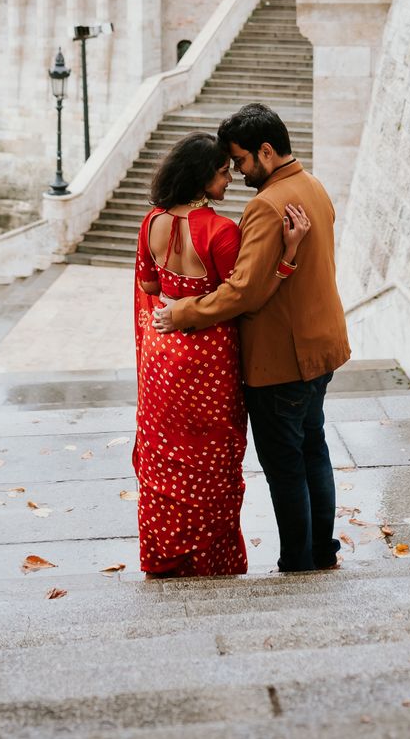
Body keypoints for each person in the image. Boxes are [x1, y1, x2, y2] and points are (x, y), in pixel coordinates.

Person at [153, 104, 350, 574]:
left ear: (266, 150)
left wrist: (183, 313)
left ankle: (299, 562)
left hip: (282, 358)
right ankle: (322, 550)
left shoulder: (267, 205)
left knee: (287, 467)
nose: (240, 172)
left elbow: (244, 290)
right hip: (322, 346)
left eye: (241, 161)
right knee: (313, 450)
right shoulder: (313, 185)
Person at [134, 131, 309, 578]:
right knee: (210, 462)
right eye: (222, 171)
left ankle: (167, 552)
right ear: (202, 176)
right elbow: (244, 297)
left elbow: (151, 288)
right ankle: (209, 561)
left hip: (162, 357)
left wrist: (178, 300)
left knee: (168, 458)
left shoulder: (150, 221)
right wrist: (287, 257)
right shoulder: (220, 231)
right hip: (208, 362)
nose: (229, 179)